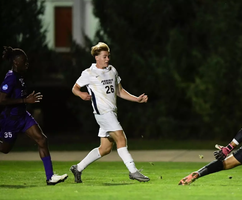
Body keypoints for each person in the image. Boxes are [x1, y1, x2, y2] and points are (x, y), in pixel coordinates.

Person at [70, 42, 150, 183]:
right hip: (102, 113)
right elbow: (75, 88)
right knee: (121, 138)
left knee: (106, 148)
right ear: (96, 57)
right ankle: (133, 171)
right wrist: (81, 94)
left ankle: (78, 168)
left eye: (108, 56)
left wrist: (136, 99)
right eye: (105, 56)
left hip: (111, 112)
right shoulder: (88, 73)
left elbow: (119, 91)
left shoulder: (112, 70)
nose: (108, 59)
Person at [0, 46, 68, 185]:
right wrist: (25, 100)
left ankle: (50, 177)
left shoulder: (20, 77)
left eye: (27, 61)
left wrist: (25, 101)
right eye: (24, 62)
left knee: (42, 140)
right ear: (15, 62)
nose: (26, 64)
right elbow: (2, 100)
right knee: (5, 149)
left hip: (22, 116)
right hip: (11, 120)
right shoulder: (10, 78)